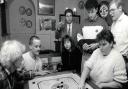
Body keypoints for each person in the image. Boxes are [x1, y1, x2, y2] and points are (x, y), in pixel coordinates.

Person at [77, 0, 109, 72]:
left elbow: (107, 38)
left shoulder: (103, 22)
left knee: (97, 80)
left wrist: (97, 44)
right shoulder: (83, 22)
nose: (90, 15)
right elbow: (79, 37)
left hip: (99, 56)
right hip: (85, 57)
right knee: (85, 78)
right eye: (88, 12)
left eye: (92, 12)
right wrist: (82, 45)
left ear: (97, 9)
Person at [109, 0, 128, 74]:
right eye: (110, 11)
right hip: (112, 59)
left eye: (112, 10)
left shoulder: (127, 21)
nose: (110, 13)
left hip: (123, 61)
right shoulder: (113, 23)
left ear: (120, 8)